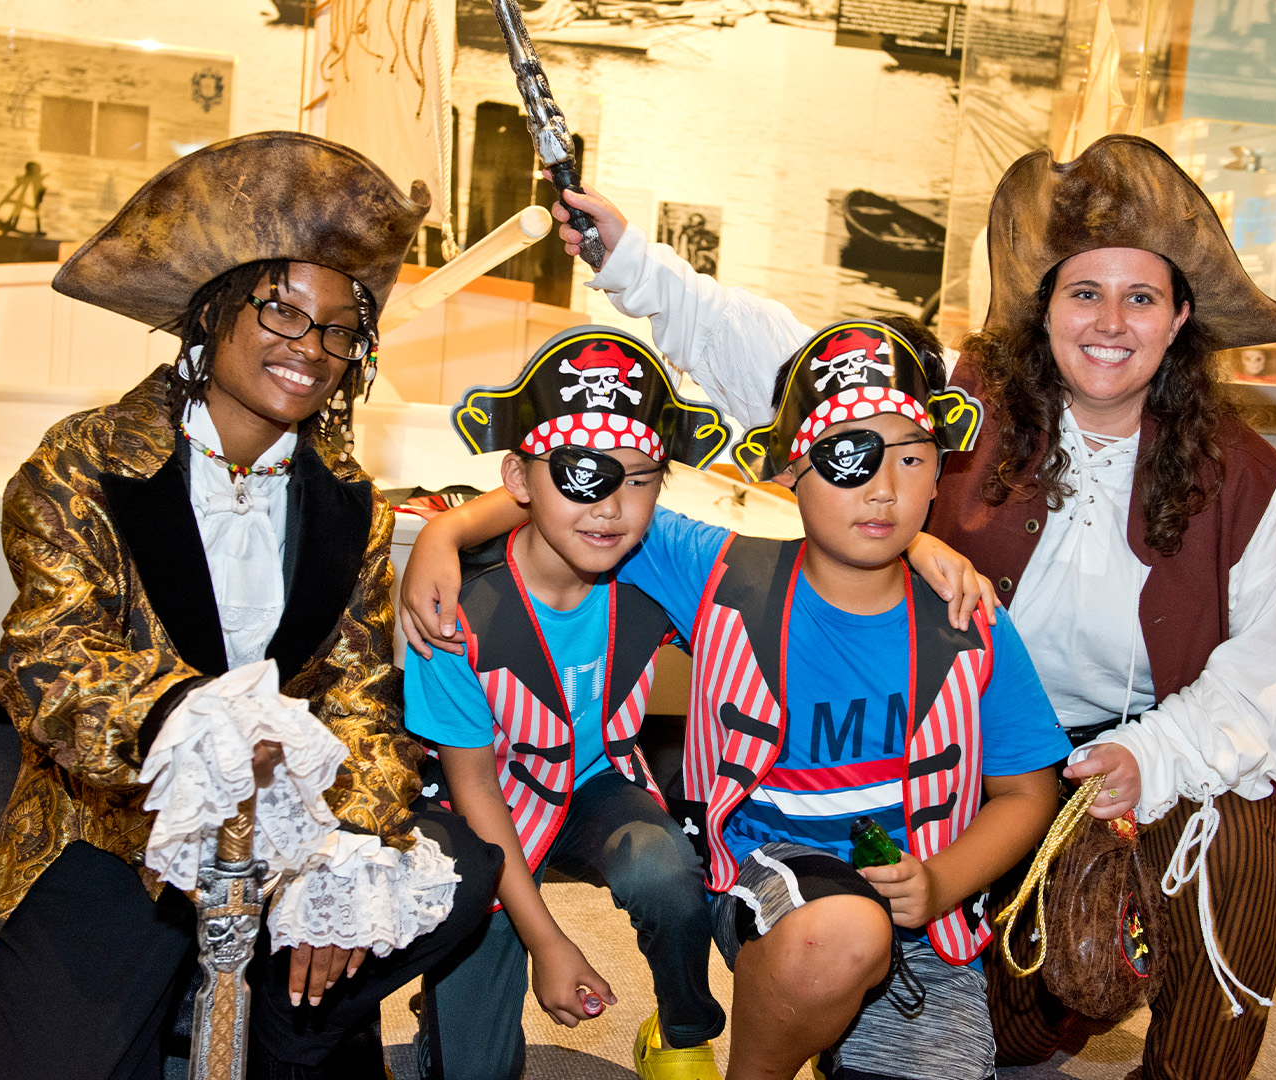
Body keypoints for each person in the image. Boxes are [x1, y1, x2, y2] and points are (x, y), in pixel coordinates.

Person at [533, 134, 1276, 1080]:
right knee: (985, 1032)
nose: (1110, 321)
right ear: (1047, 312)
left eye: (1141, 296)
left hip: (1133, 777)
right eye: (1085, 292)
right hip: (963, 798)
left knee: (1236, 833)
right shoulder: (960, 407)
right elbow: (795, 371)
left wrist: (1144, 754)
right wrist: (631, 261)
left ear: (1179, 317)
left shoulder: (1239, 478)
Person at [0, 132, 502, 1080]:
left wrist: (348, 856)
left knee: (458, 870)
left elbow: (361, 697)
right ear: (213, 315)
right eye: (282, 313)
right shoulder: (83, 463)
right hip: (116, 833)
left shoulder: (349, 500)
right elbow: (46, 659)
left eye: (337, 328)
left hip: (290, 840)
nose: (311, 349)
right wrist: (178, 715)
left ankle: (295, 1023)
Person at [406, 319, 1070, 1080]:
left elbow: (1027, 791)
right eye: (847, 457)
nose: (883, 489)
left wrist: (943, 882)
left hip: (924, 916)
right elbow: (571, 495)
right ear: (790, 471)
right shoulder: (718, 573)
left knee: (882, 991)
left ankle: (832, 1016)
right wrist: (447, 532)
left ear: (939, 470)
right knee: (839, 936)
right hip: (772, 879)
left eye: (912, 459)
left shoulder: (969, 621)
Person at [403, 326, 732, 1080]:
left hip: (593, 788)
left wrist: (921, 544)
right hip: (485, 809)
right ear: (519, 479)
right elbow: (475, 788)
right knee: (476, 1068)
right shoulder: (457, 614)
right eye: (584, 475)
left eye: (640, 479)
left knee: (664, 869)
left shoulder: (653, 573)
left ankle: (683, 1027)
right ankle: (442, 1015)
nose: (612, 508)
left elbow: (801, 571)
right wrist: (549, 940)